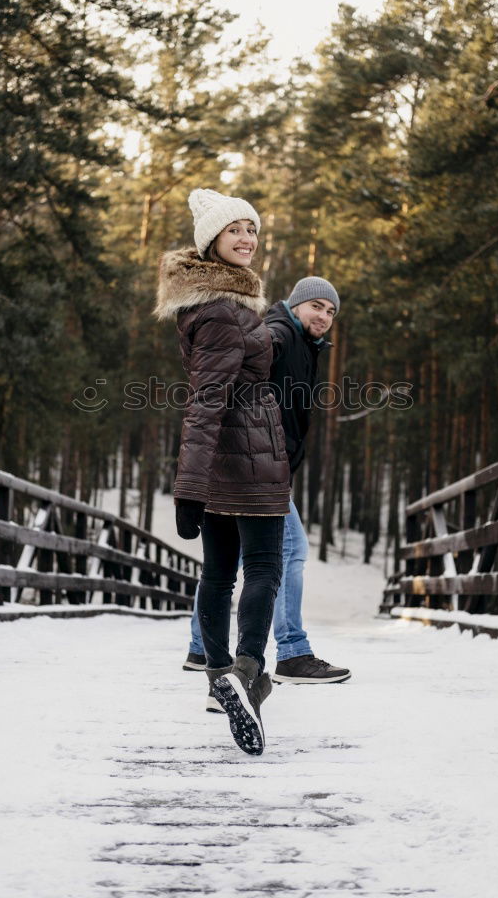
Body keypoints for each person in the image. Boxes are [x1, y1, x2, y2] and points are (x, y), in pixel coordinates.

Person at [154, 187, 291, 756]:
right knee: (261, 567)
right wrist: (188, 486)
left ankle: (218, 677)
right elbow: (206, 399)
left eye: (252, 230)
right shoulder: (223, 310)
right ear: (211, 241)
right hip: (249, 456)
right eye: (234, 230)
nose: (247, 239)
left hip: (226, 461)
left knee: (218, 573)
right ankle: (246, 672)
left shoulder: (218, 304)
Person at [184, 276, 351, 700]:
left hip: (258, 464)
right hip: (256, 466)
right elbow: (230, 380)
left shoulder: (302, 343)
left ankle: (202, 649)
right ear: (295, 305)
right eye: (316, 306)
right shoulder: (278, 336)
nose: (324, 317)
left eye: (331, 311)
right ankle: (291, 654)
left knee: (227, 565)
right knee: (285, 553)